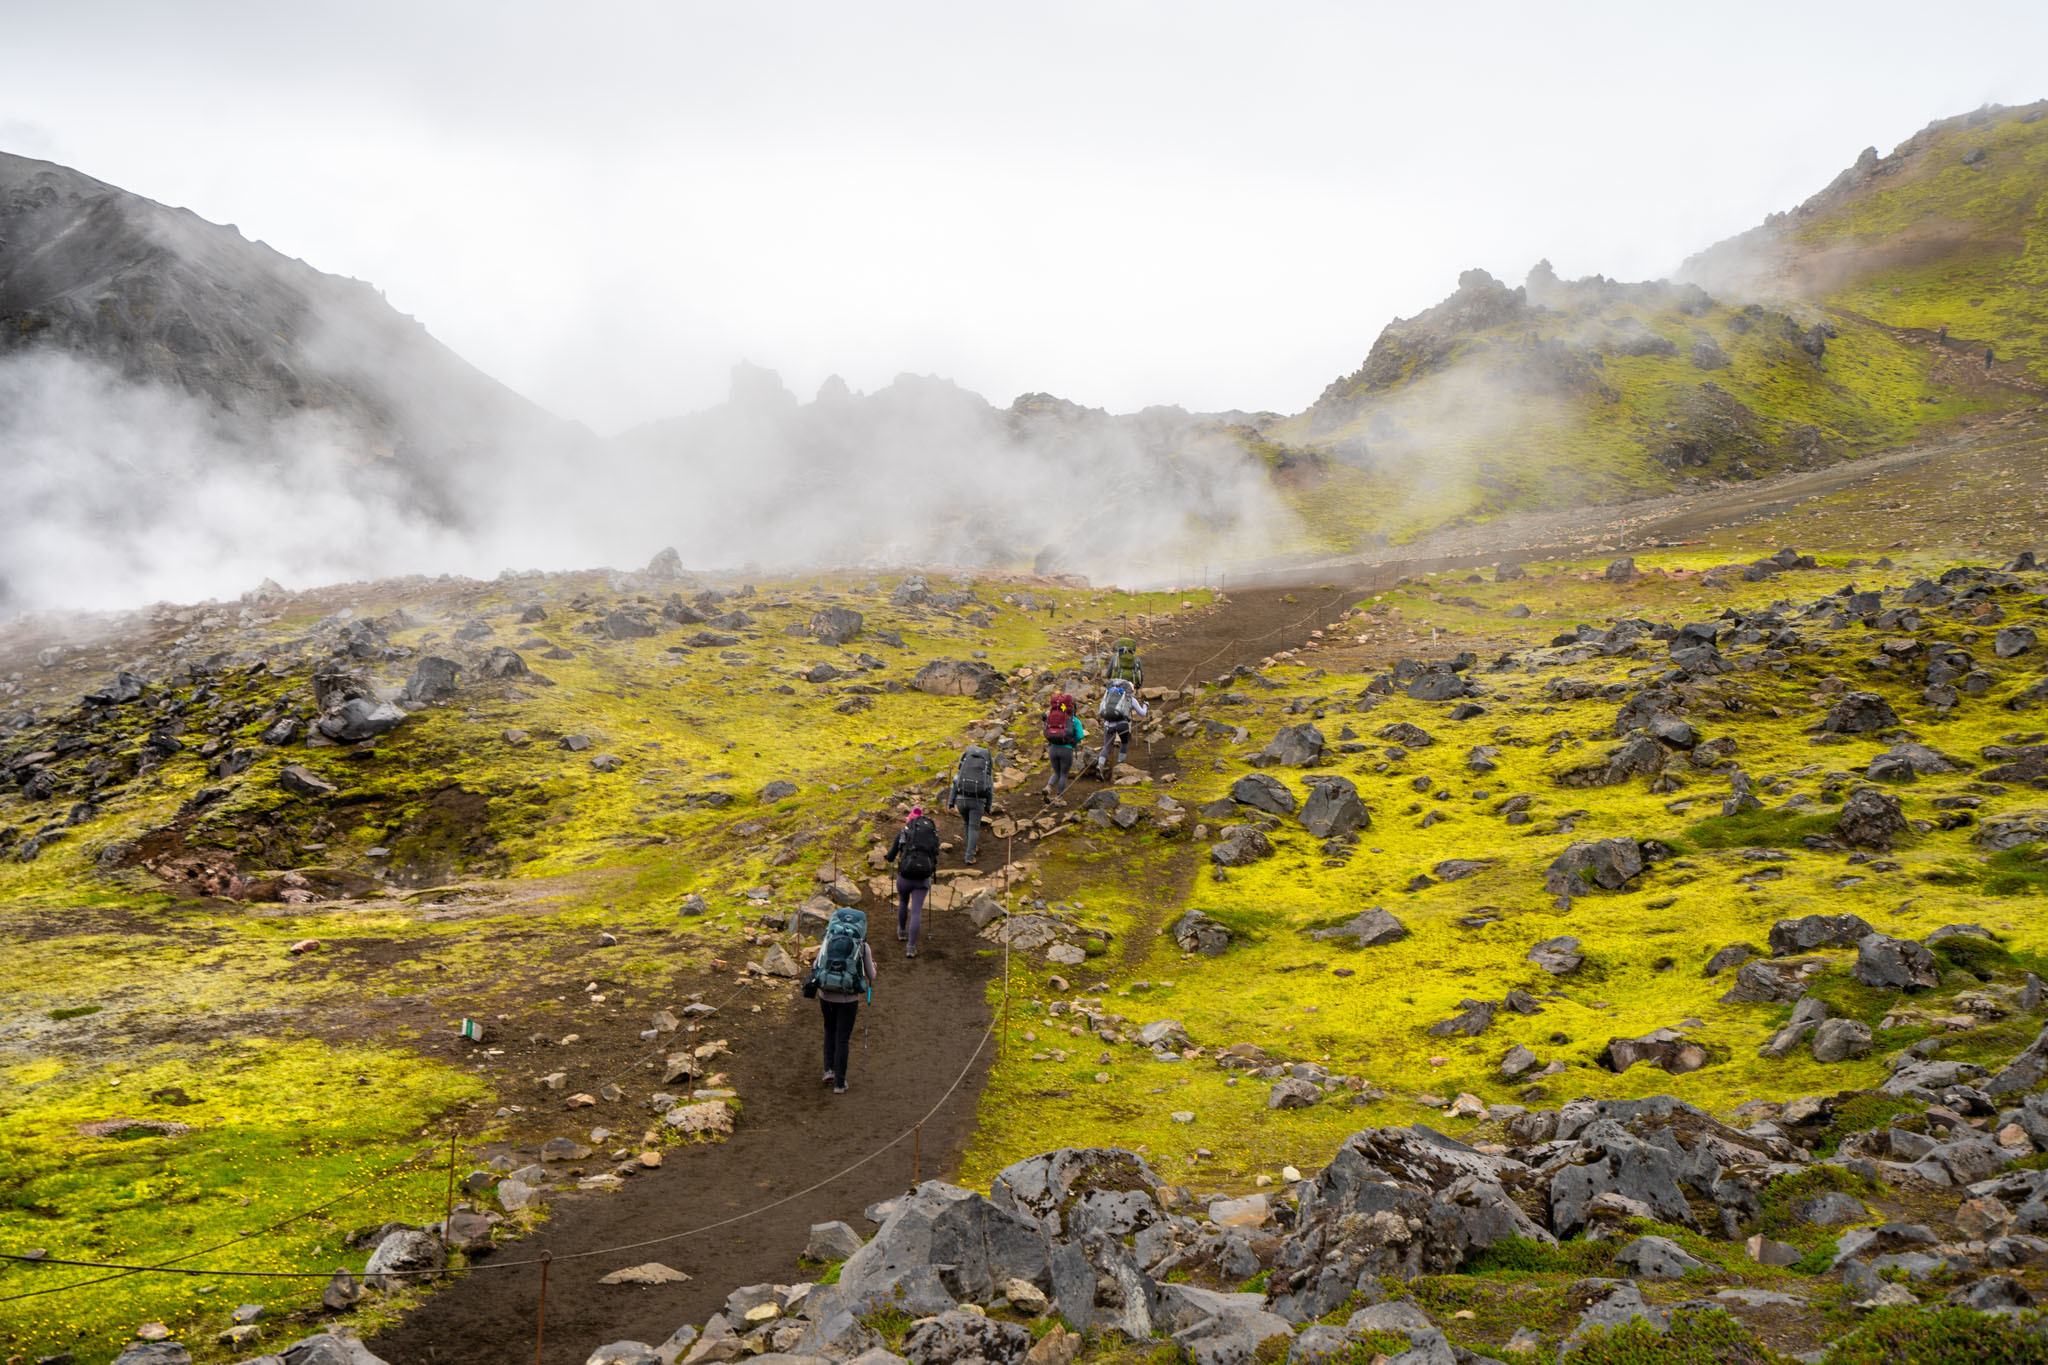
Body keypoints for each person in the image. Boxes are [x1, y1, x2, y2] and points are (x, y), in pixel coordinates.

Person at [805, 906, 875, 1094]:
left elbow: (816, 966)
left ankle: (828, 1070)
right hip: (848, 999)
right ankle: (840, 1083)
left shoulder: (828, 940)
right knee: (842, 1037)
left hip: (825, 995)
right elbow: (872, 975)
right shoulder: (862, 945)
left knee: (829, 1030)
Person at [884, 806, 940, 957]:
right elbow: (936, 854)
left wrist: (889, 857)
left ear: (910, 818)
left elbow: (890, 856)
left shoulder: (904, 831)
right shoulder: (932, 833)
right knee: (916, 911)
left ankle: (902, 932)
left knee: (903, 902)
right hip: (922, 879)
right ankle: (911, 947)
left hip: (905, 876)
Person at [948, 744, 995, 863]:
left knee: (966, 824)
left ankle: (972, 848)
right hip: (977, 802)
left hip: (961, 801)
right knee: (974, 828)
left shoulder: (963, 769)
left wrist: (951, 803)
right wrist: (988, 807)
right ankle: (969, 856)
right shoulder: (985, 770)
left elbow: (955, 784)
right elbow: (989, 790)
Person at [1096, 678, 1150, 774]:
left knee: (1107, 746)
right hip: (1123, 725)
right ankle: (1120, 764)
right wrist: (1146, 705)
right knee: (1124, 743)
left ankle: (1100, 765)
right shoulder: (1131, 699)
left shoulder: (1108, 696)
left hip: (1108, 724)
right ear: (1130, 690)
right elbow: (1142, 713)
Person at [1043, 691, 1084, 800]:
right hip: (1066, 749)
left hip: (1053, 748)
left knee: (1056, 772)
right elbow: (1080, 735)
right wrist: (1073, 742)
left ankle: (1048, 787)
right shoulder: (1074, 720)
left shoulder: (1051, 716)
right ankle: (1059, 798)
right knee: (1063, 774)